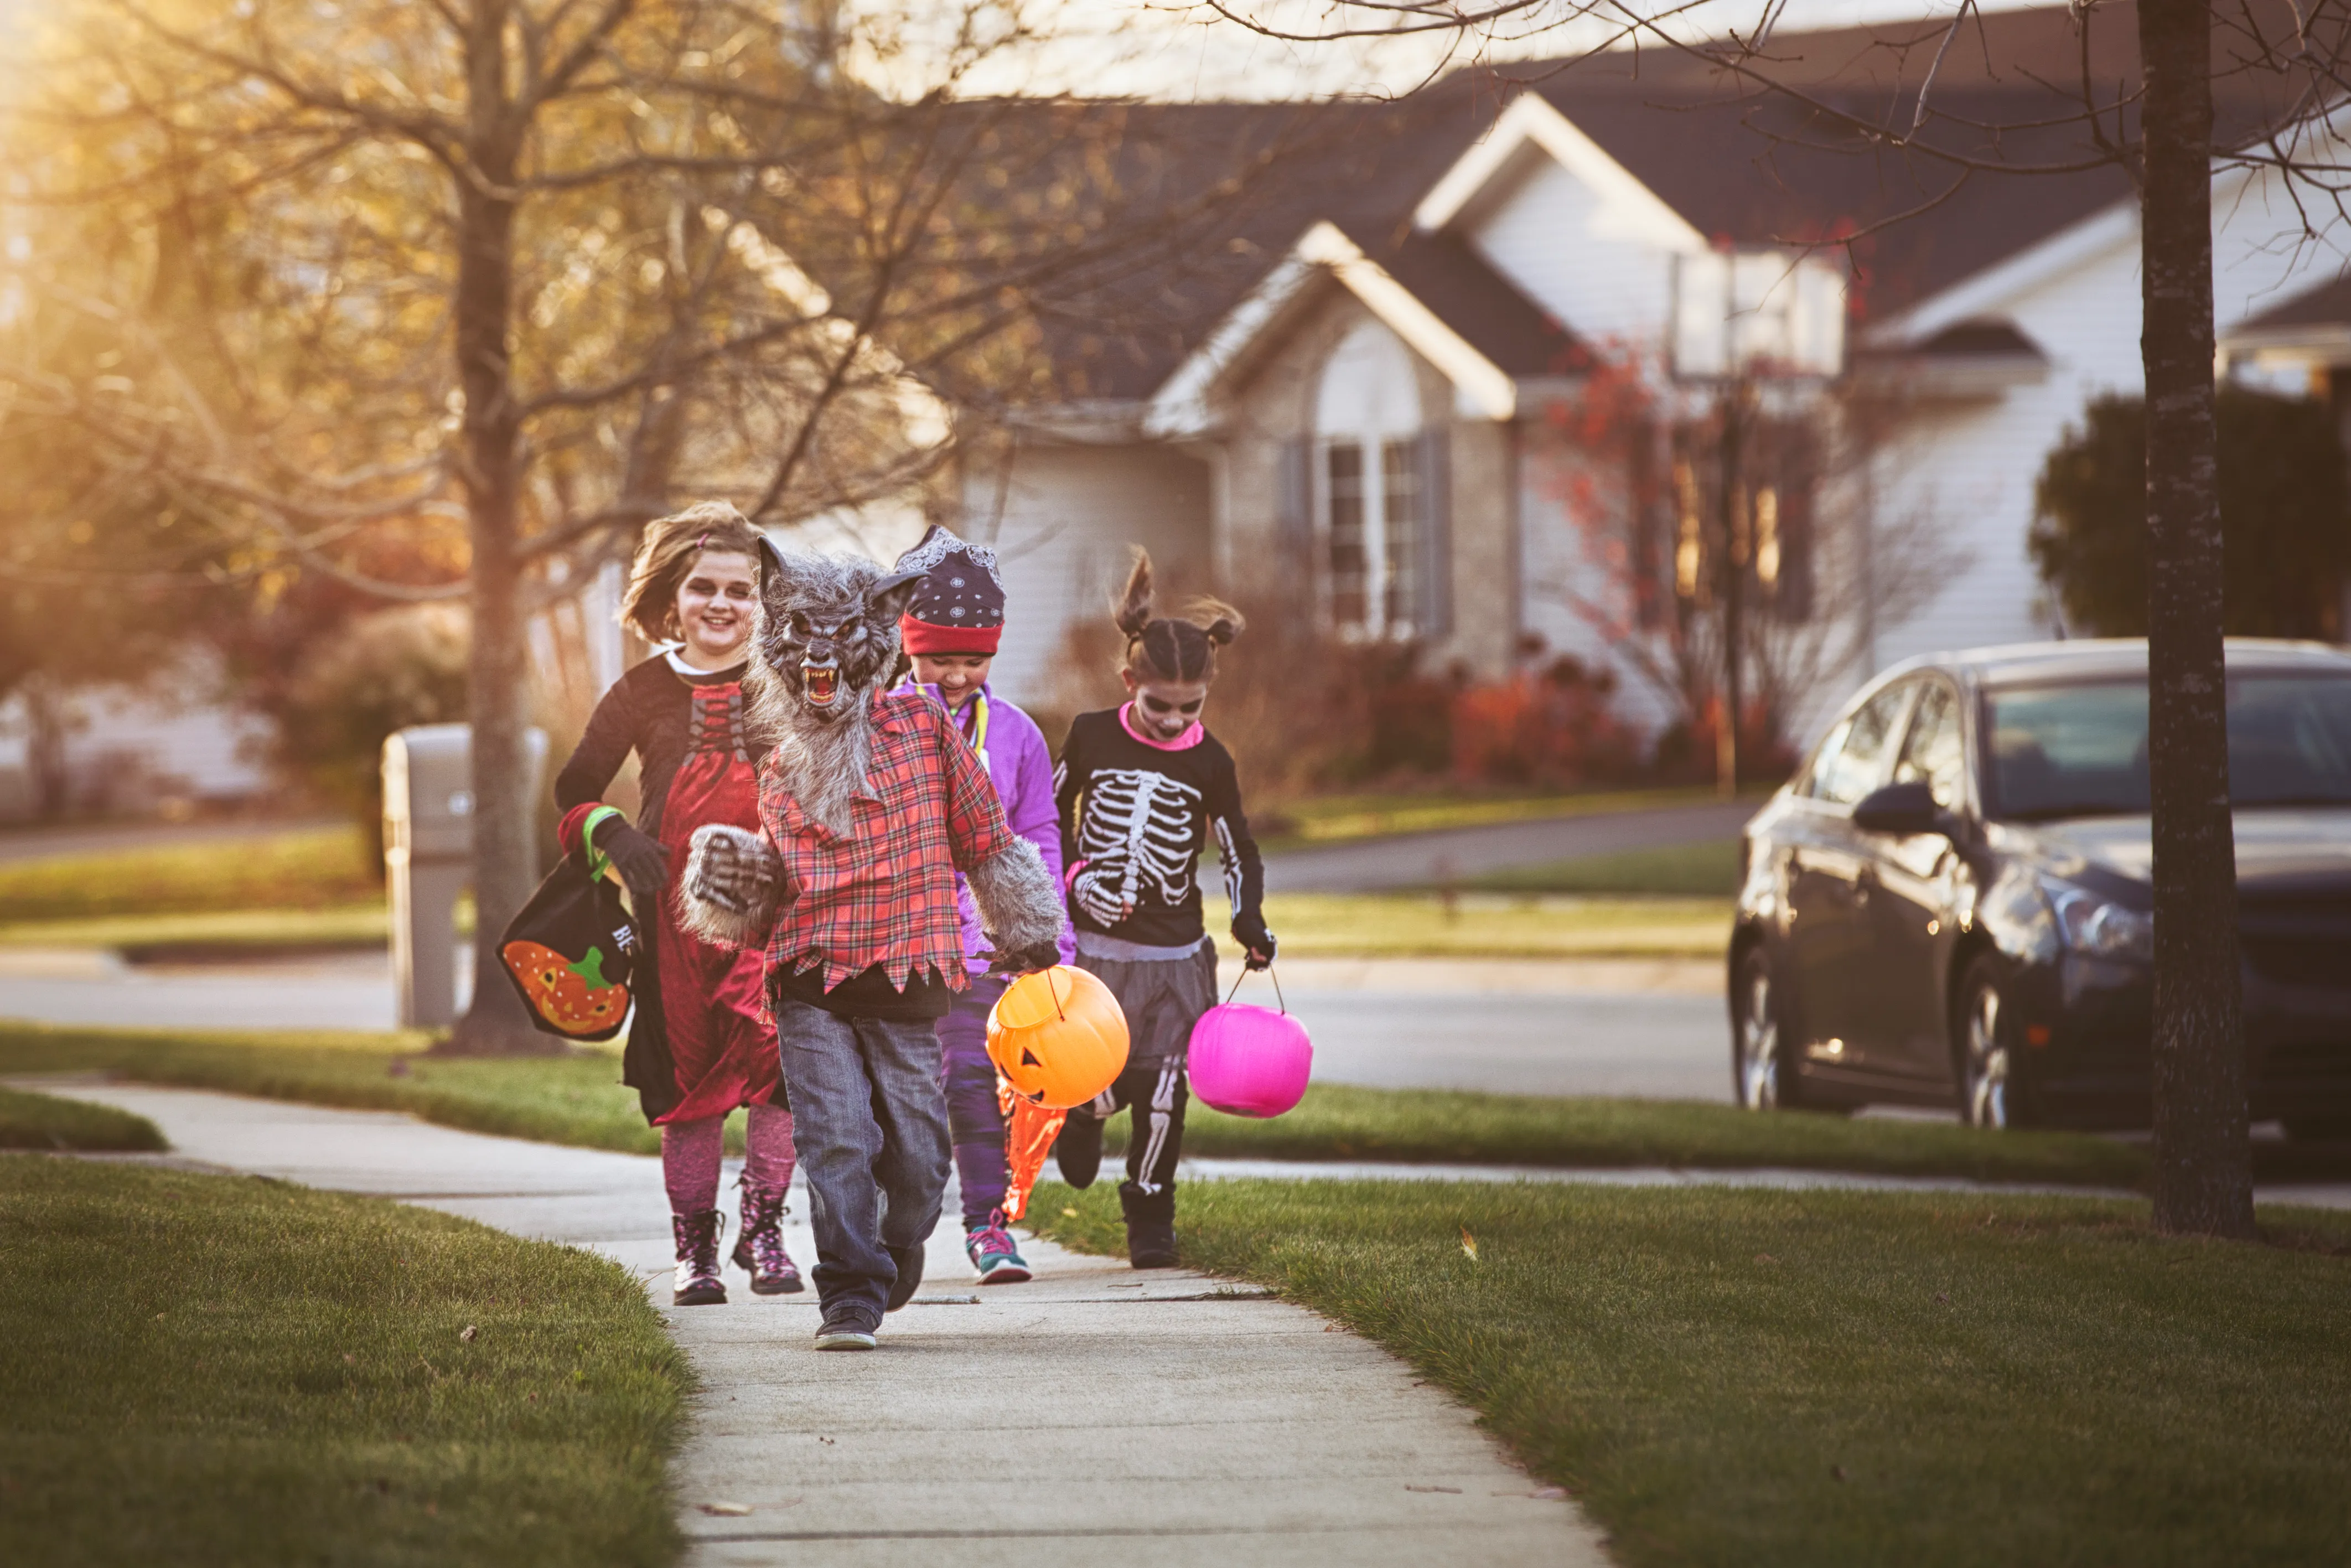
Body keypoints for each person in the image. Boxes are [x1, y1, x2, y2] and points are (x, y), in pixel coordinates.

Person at [677, 542, 1066, 1352]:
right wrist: (733, 881)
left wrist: (1027, 932)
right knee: (838, 1137)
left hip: (911, 973)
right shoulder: (777, 753)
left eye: (838, 642)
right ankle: (849, 1296)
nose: (821, 661)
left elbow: (986, 838)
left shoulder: (923, 726)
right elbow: (776, 879)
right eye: (802, 642)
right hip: (810, 978)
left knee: (921, 1163)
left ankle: (894, 1247)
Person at [552, 503, 802, 1308]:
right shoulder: (642, 690)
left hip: (774, 910)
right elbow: (573, 788)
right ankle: (694, 1249)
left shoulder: (789, 679)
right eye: (704, 588)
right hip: (671, 922)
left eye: (741, 590)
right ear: (673, 597)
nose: (722, 605)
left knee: (779, 1073)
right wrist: (612, 833)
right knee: (686, 1083)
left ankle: (765, 1231)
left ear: (763, 603)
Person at [1050, 550, 1275, 1269]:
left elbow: (1237, 845)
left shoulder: (1211, 760)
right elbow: (1045, 820)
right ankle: (1082, 1116)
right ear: (1129, 683)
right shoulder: (1090, 735)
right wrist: (1074, 879)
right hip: (1097, 952)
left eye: (1192, 708)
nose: (1176, 722)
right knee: (1100, 1078)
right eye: (1159, 706)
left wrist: (1250, 921)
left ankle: (1150, 1209)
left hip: (1176, 956)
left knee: (1165, 1089)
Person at [888, 525, 1071, 1285]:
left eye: (973, 659)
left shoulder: (1019, 735)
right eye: (940, 658)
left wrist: (1046, 937)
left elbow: (1038, 836)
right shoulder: (877, 722)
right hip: (891, 947)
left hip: (978, 950)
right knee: (898, 1104)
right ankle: (892, 1231)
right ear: (908, 648)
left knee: (971, 1083)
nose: (957, 675)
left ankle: (987, 1227)